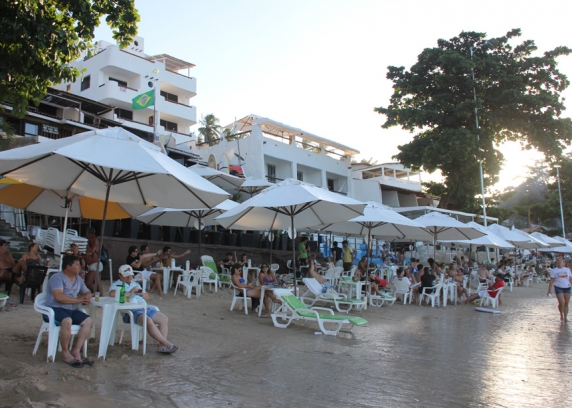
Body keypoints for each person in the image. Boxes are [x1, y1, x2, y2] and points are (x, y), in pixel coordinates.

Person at [109, 265, 178, 354]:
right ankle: (166, 344)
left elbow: (147, 297)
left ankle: (161, 346)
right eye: (127, 276)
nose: (129, 277)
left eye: (130, 275)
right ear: (120, 275)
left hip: (144, 307)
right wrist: (130, 293)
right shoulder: (116, 285)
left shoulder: (136, 284)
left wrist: (141, 293)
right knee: (148, 321)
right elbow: (111, 294)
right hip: (131, 310)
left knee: (164, 319)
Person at [44, 255, 93, 367]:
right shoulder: (57, 278)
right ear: (68, 266)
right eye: (76, 265)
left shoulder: (79, 279)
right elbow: (59, 297)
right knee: (67, 321)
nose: (80, 267)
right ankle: (65, 352)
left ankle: (76, 350)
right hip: (55, 309)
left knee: (88, 321)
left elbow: (86, 292)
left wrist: (87, 297)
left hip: (72, 308)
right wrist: (78, 299)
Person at [547, 257, 572, 322]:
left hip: (567, 287)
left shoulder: (567, 270)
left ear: (563, 262)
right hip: (558, 287)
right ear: (556, 262)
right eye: (558, 260)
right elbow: (551, 280)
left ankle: (565, 317)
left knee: (566, 302)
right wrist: (549, 290)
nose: (560, 261)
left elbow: (570, 279)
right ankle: (561, 315)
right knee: (562, 302)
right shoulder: (554, 270)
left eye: (561, 260)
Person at [85, 227, 103, 292]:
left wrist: (90, 253)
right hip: (95, 264)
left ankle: (96, 294)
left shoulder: (93, 238)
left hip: (94, 264)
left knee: (88, 282)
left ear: (88, 233)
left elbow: (94, 246)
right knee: (98, 283)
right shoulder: (92, 239)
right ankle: (100, 296)